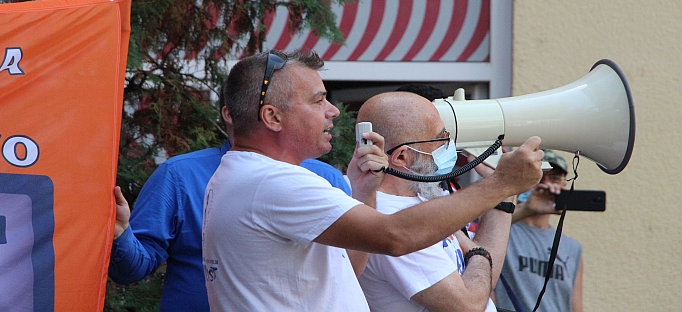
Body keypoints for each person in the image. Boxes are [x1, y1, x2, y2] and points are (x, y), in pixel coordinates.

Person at [202, 48, 545, 311]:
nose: (333, 111)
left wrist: (363, 194)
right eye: (318, 101)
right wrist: (501, 184)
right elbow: (396, 236)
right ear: (272, 117)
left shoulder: (249, 175)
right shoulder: (273, 182)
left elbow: (345, 270)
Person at [109, 104, 351, 312]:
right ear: (231, 113)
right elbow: (131, 269)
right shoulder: (179, 176)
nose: (331, 110)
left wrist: (367, 191)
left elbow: (349, 272)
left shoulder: (327, 180)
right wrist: (120, 234)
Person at [357, 90, 513, 312]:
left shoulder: (424, 195)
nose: (450, 144)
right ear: (402, 156)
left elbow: (483, 282)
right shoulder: (390, 217)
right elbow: (469, 305)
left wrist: (503, 193)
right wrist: (479, 254)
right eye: (442, 137)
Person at [493, 150, 584, 312]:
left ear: (563, 185)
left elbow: (575, 306)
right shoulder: (502, 230)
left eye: (554, 178)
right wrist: (526, 209)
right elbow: (474, 233)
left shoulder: (572, 248)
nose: (546, 183)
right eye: (539, 176)